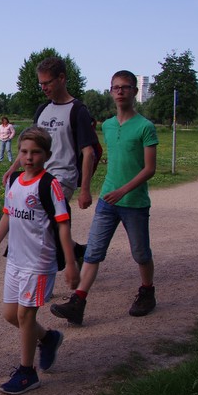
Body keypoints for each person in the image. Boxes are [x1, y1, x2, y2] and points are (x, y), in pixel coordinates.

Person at [50, 70, 159, 326]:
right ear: (110, 92)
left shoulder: (145, 126)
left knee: (141, 253)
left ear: (134, 92)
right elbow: (95, 153)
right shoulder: (108, 125)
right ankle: (78, 302)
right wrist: (87, 186)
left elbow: (149, 169)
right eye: (115, 87)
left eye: (125, 87)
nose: (120, 91)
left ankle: (147, 292)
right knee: (94, 252)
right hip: (108, 201)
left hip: (134, 203)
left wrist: (123, 190)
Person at [0, 126, 79, 395]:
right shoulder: (13, 180)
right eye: (24, 151)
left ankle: (27, 372)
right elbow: (7, 214)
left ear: (46, 155)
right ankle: (48, 338)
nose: (29, 157)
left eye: (35, 152)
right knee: (10, 315)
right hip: (15, 260)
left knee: (25, 315)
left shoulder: (50, 185)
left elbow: (62, 225)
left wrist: (70, 263)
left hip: (39, 262)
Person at [2, 56, 99, 211]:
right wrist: (13, 168)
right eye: (41, 84)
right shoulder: (42, 110)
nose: (43, 88)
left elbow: (89, 152)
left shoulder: (77, 110)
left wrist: (85, 190)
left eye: (47, 83)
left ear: (61, 78)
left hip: (62, 178)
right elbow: (30, 144)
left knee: (42, 215)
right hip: (39, 174)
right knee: (33, 218)